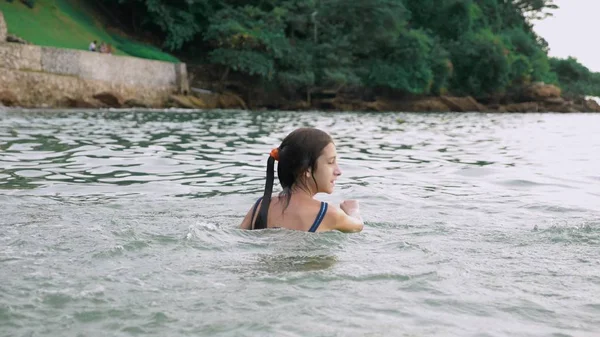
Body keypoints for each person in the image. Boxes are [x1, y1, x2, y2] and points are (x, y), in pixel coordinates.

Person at [239, 128, 364, 233]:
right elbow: (358, 226)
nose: (338, 171)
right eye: (331, 162)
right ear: (306, 170)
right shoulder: (327, 214)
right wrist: (353, 210)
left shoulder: (261, 205)